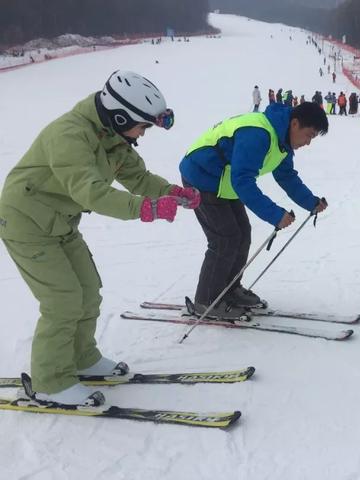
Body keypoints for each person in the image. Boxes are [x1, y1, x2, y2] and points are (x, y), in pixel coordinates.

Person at [0, 71, 200, 406]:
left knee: (88, 290)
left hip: (60, 223)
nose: (142, 134)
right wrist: (148, 208)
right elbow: (91, 192)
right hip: (25, 221)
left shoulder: (113, 137)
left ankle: (81, 359)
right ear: (120, 116)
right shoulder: (68, 135)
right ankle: (49, 382)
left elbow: (137, 176)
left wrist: (171, 192)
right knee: (62, 300)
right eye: (143, 126)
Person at [179, 102, 329, 319]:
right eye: (308, 135)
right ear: (295, 123)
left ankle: (228, 289)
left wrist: (311, 202)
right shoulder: (258, 134)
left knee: (242, 234)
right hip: (202, 177)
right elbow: (242, 180)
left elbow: (286, 176)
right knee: (225, 238)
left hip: (225, 183)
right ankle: (207, 300)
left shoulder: (282, 140)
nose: (307, 143)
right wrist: (275, 214)